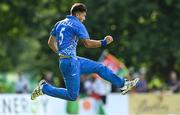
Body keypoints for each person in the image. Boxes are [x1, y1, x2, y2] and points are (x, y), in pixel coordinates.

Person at [31, 3, 139, 101]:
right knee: (72, 96)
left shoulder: (59, 23)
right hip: (70, 63)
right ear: (77, 15)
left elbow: (50, 42)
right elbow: (87, 44)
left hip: (71, 61)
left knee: (99, 67)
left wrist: (61, 53)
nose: (84, 18)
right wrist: (104, 42)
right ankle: (44, 88)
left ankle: (123, 84)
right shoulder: (77, 24)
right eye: (83, 15)